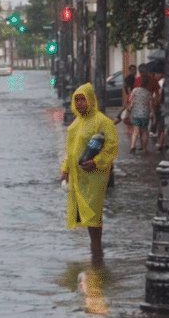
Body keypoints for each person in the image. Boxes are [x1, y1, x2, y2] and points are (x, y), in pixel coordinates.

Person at [60, 83, 120, 258]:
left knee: (93, 210)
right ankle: (95, 250)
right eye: (77, 100)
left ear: (91, 100)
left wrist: (97, 162)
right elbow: (71, 151)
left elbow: (111, 146)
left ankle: (96, 249)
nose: (80, 104)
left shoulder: (103, 122)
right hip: (78, 175)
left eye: (83, 99)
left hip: (95, 175)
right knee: (85, 212)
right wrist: (65, 170)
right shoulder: (76, 123)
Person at [128, 75, 154, 154]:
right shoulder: (148, 93)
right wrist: (152, 113)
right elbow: (150, 105)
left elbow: (130, 100)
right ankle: (144, 148)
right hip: (145, 114)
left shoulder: (135, 90)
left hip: (136, 113)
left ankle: (133, 146)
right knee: (144, 131)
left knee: (135, 131)